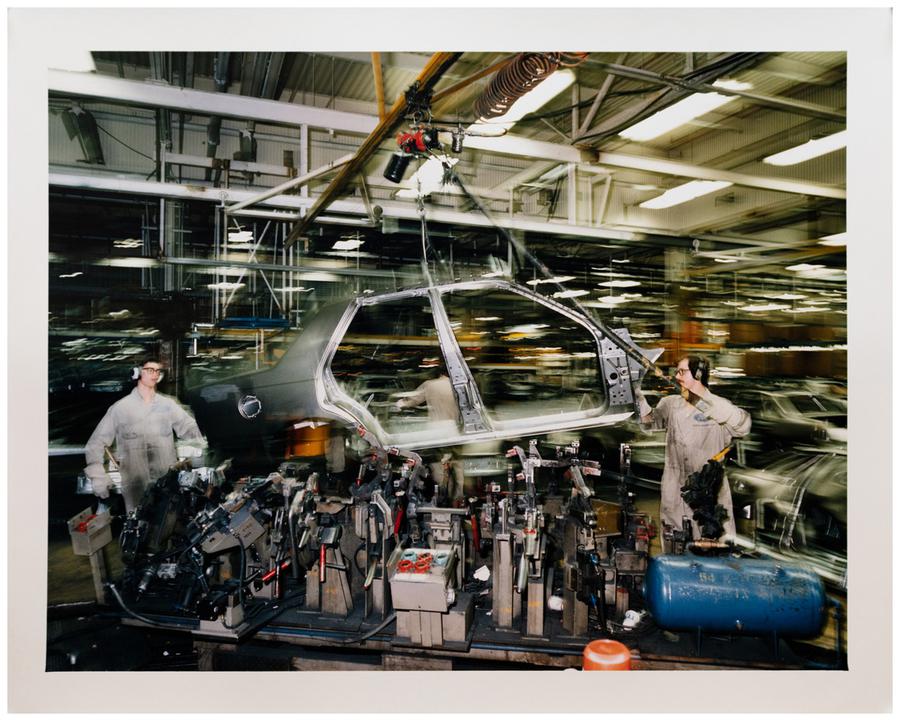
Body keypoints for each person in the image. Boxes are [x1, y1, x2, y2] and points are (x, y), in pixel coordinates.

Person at [637, 355, 751, 551]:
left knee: (714, 553)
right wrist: (637, 395)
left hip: (709, 494)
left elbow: (744, 426)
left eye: (682, 371)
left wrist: (706, 405)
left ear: (698, 374)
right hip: (676, 491)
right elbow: (649, 422)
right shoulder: (671, 404)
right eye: (677, 371)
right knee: (675, 552)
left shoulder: (718, 406)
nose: (677, 376)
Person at [84, 357, 206, 513]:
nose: (155, 375)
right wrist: (98, 476)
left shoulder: (168, 406)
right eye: (150, 370)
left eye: (158, 371)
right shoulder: (121, 409)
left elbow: (190, 428)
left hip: (167, 486)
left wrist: (203, 443)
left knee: (169, 528)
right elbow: (95, 443)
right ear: (137, 373)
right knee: (138, 532)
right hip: (136, 488)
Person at [394, 368, 465, 503]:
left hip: (435, 432)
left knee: (436, 463)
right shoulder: (458, 386)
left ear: (439, 373)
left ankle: (439, 493)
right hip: (453, 430)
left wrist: (398, 404)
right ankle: (458, 496)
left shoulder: (430, 385)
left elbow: (412, 399)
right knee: (457, 463)